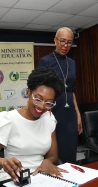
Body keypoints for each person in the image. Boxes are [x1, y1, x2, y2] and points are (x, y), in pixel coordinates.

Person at [0, 67, 67, 182]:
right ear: (29, 93)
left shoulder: (49, 119)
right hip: (13, 176)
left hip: (41, 175)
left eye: (48, 103)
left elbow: (53, 156)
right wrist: (3, 162)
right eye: (38, 99)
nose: (42, 106)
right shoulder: (8, 119)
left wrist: (47, 161)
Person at [37, 27, 82, 164]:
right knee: (54, 149)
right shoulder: (45, 61)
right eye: (62, 41)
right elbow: (39, 90)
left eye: (69, 42)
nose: (65, 45)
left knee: (70, 149)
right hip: (52, 110)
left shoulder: (72, 63)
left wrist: (78, 114)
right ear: (55, 41)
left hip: (70, 113)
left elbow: (71, 91)